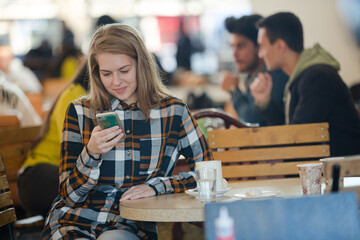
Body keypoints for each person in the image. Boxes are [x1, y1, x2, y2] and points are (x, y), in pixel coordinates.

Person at [41, 23, 213, 240]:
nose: (116, 82)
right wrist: (91, 153)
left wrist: (157, 187)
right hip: (74, 222)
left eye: (124, 70)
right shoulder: (80, 111)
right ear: (96, 73)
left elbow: (208, 175)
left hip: (131, 225)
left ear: (141, 64)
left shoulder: (174, 111)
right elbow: (70, 196)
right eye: (106, 73)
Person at [251, 12, 360, 156]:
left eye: (262, 47)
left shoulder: (317, 78)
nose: (260, 54)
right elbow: (292, 132)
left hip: (344, 174)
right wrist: (265, 101)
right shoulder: (303, 77)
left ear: (279, 46)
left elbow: (298, 141)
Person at [17, 62, 89, 218]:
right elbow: (74, 148)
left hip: (59, 174)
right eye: (107, 73)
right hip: (36, 177)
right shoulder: (74, 95)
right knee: (88, 192)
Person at [220, 14, 288, 126]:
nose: (234, 54)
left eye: (241, 46)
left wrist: (233, 90)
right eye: (233, 47)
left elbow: (253, 120)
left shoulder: (273, 74)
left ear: (259, 46)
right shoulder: (250, 77)